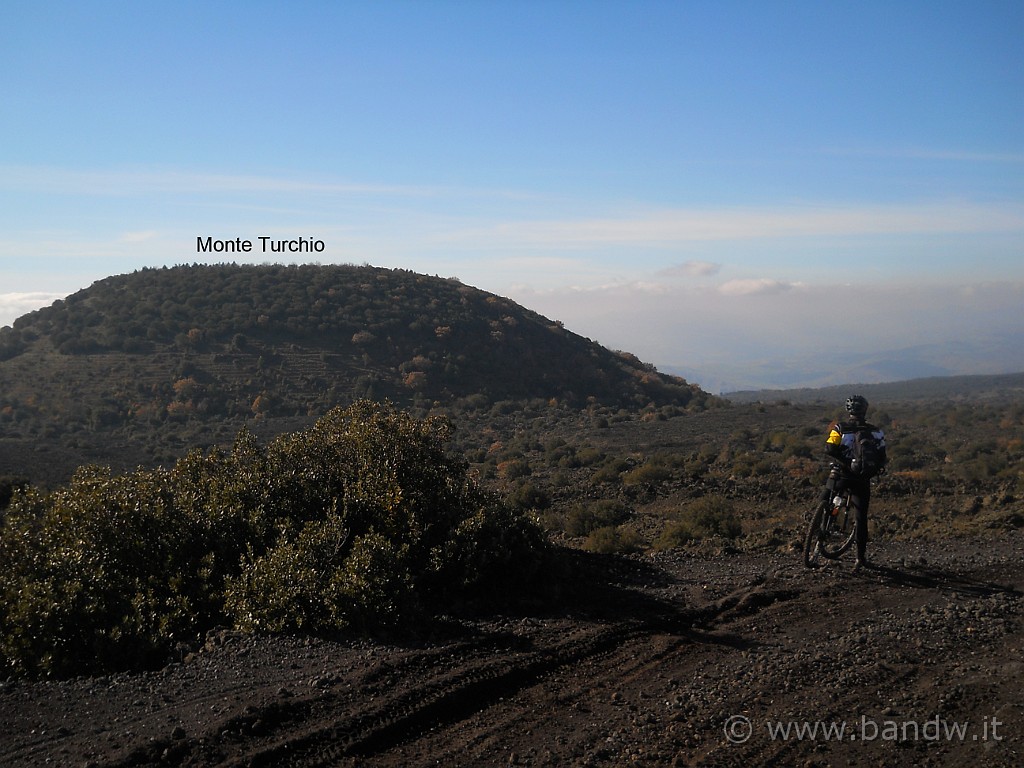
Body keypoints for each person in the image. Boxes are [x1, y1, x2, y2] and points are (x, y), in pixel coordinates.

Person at [825, 395, 887, 570]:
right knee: (861, 518)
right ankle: (860, 558)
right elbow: (882, 457)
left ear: (848, 410)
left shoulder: (840, 428)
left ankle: (825, 523)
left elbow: (829, 448)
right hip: (862, 479)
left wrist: (844, 462)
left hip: (843, 475)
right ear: (865, 410)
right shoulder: (876, 432)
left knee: (828, 498)